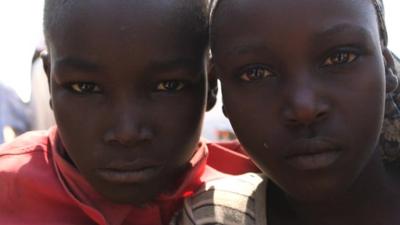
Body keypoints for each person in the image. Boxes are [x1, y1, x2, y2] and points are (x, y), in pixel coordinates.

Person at [0, 0, 258, 224]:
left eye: (167, 86)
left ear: (211, 84)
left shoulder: (263, 193)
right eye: (85, 87)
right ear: (49, 82)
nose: (127, 132)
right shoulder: (7, 190)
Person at [175, 0, 400, 224]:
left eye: (339, 58)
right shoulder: (211, 217)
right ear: (219, 88)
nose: (304, 109)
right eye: (255, 73)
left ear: (388, 67)